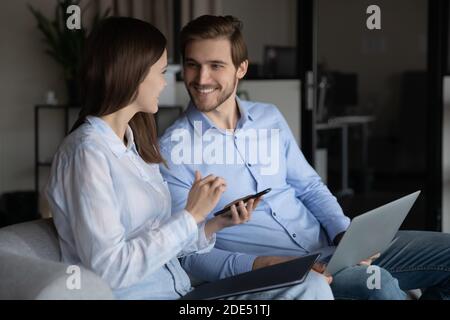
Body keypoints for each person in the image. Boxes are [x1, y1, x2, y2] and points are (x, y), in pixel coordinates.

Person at [159, 15, 450, 300]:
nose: (201, 78)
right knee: (377, 284)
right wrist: (267, 265)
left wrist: (344, 234)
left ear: (241, 68)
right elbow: (187, 254)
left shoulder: (268, 116)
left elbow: (309, 186)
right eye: (192, 65)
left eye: (215, 66)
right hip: (285, 272)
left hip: (333, 249)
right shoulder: (173, 149)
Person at [45, 17, 333, 300]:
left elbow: (167, 244)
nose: (166, 82)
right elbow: (111, 269)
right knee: (311, 287)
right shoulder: (86, 153)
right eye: (161, 72)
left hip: (183, 292)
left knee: (328, 281)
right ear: (131, 74)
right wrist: (190, 216)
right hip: (164, 296)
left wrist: (214, 224)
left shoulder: (134, 147)